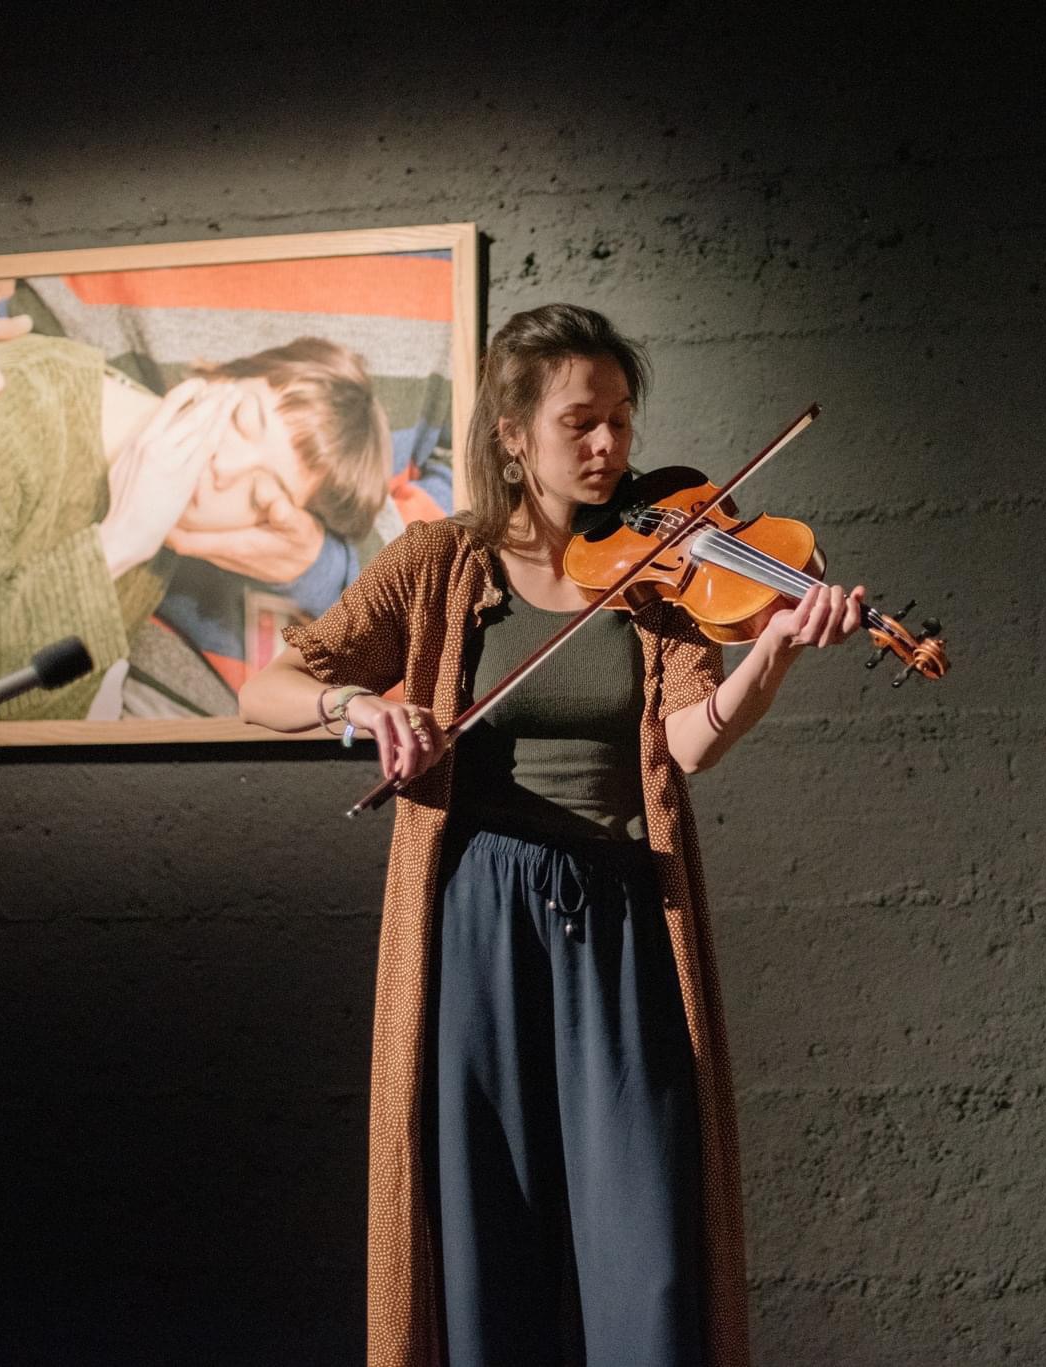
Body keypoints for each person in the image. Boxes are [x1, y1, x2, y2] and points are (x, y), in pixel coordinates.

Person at [239, 303, 866, 1367]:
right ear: (511, 434)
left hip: (619, 913)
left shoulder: (664, 564)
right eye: (580, 421)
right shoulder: (439, 559)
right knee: (489, 1229)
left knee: (647, 1241)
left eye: (620, 418)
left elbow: (689, 740)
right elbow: (271, 684)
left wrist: (770, 656)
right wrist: (360, 707)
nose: (609, 443)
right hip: (475, 917)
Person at [0, 283, 456, 699]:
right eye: (243, 421)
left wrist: (321, 570)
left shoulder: (145, 575)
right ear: (213, 375)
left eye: (262, 496)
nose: (225, 466)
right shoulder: (26, 421)